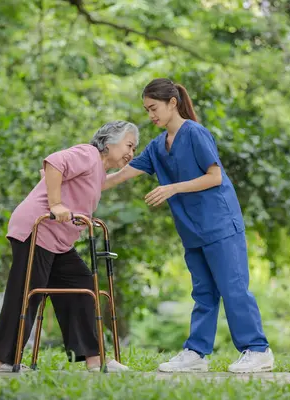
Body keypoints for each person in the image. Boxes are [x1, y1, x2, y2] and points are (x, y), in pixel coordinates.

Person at [104, 78, 274, 373]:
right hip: (192, 231)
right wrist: (78, 183)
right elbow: (119, 175)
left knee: (233, 289)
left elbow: (215, 176)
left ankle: (258, 350)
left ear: (172, 103)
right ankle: (196, 353)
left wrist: (172, 188)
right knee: (203, 292)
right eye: (146, 110)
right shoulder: (158, 147)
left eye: (154, 108)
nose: (151, 116)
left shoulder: (195, 134)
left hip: (220, 224)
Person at [0, 121, 139, 373]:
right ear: (109, 141)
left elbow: (106, 181)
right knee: (27, 293)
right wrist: (56, 203)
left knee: (81, 284)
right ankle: (0, 360)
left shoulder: (97, 170)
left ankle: (95, 359)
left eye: (134, 149)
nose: (131, 153)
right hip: (37, 231)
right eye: (129, 145)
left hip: (57, 241)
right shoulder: (87, 154)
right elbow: (54, 163)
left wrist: (139, 168)